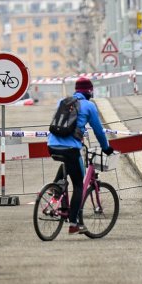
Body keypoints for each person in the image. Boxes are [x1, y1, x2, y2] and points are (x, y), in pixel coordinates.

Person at [47, 77, 114, 234]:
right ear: (89, 91)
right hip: (71, 148)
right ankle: (74, 223)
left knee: (68, 166)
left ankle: (56, 189)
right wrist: (106, 148)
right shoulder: (89, 106)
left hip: (51, 145)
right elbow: (98, 131)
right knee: (78, 185)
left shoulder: (62, 102)